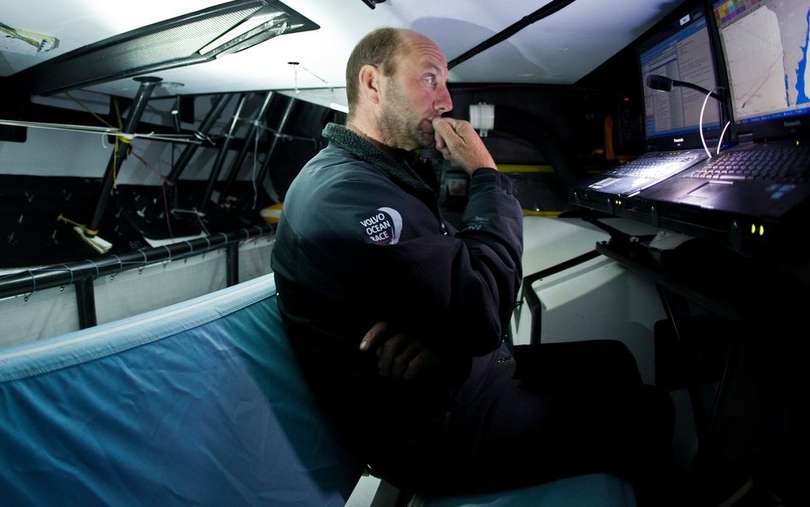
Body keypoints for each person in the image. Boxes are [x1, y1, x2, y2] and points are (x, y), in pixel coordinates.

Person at [271, 27, 678, 503]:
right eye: (429, 80)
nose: (445, 102)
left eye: (444, 85)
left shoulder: (381, 173)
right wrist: (487, 174)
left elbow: (451, 286)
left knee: (614, 358)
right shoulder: (344, 194)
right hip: (437, 432)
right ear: (372, 82)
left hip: (452, 378)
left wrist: (439, 333)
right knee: (651, 413)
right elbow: (481, 312)